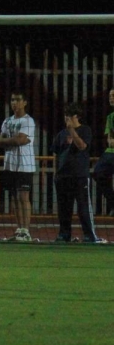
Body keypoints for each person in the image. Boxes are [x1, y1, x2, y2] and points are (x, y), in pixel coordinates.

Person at [52, 104, 102, 243]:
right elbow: (56, 153)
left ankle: (89, 235)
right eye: (65, 115)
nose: (66, 118)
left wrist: (72, 131)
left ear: (77, 116)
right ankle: (64, 235)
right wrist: (56, 173)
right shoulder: (61, 134)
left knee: (83, 207)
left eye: (70, 115)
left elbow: (82, 146)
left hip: (79, 175)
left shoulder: (85, 130)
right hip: (63, 176)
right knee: (64, 209)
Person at [0, 91, 37, 242]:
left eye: (18, 100)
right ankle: (19, 229)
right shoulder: (7, 121)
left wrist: (8, 140)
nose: (14, 103)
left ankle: (26, 231)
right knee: (14, 197)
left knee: (23, 197)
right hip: (10, 165)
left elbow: (21, 140)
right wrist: (13, 140)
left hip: (25, 165)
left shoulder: (28, 121)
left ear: (24, 102)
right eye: (13, 100)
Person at [90, 88, 114, 217]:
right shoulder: (110, 117)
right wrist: (111, 141)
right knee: (98, 173)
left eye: (113, 95)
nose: (111, 98)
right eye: (110, 95)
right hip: (111, 152)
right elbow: (109, 139)